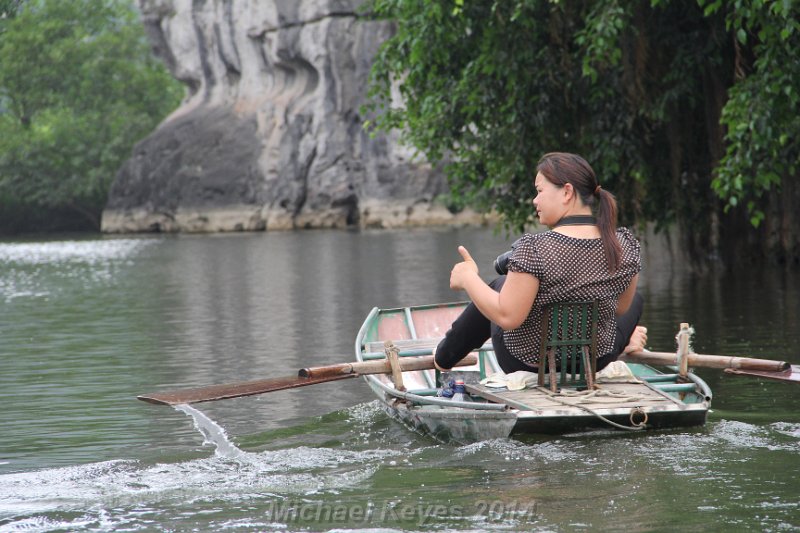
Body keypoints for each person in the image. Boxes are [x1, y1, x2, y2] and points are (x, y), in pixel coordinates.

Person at [434, 152, 647, 374]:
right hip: (595, 359)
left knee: (500, 284)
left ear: (566, 192)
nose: (535, 200)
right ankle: (627, 339)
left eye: (539, 191)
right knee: (635, 299)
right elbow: (621, 308)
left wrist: (468, 278)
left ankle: (444, 357)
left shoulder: (534, 248)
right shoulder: (624, 244)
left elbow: (507, 317)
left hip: (530, 363)